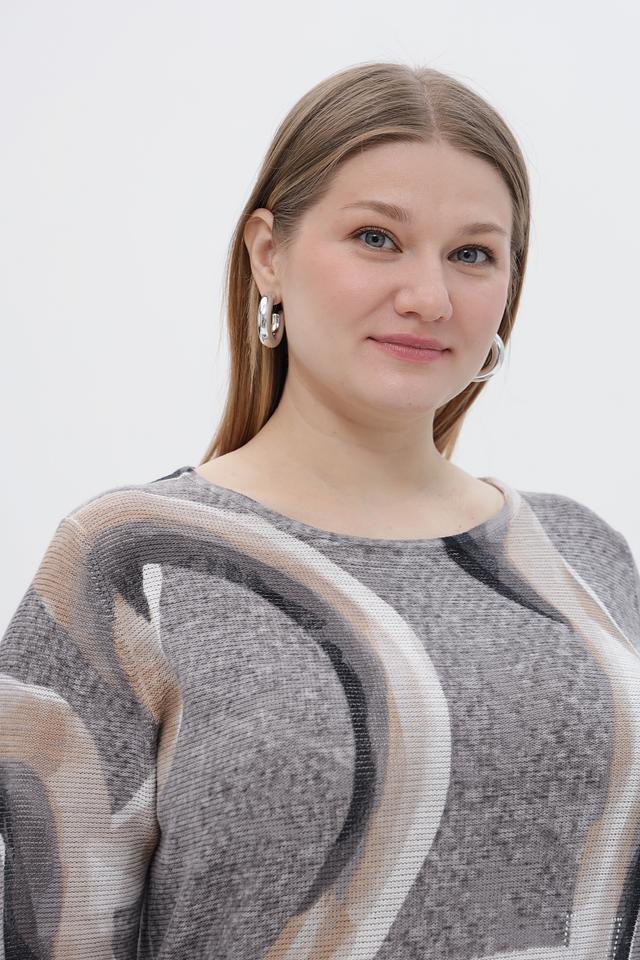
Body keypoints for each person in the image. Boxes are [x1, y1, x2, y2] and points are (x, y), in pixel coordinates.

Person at [2, 60, 640, 960]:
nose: (429, 297)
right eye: (377, 238)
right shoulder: (134, 561)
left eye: (472, 254)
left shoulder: (581, 557)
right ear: (269, 253)